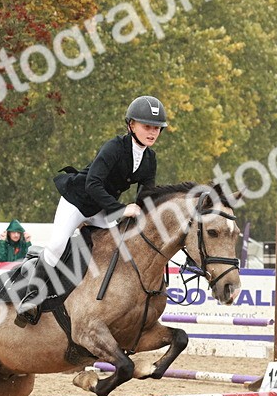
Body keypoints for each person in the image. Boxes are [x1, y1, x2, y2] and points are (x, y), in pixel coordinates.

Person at [10, 95, 167, 317]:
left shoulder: (150, 158)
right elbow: (93, 184)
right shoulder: (114, 147)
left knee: (117, 251)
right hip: (78, 201)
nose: (152, 132)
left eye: (156, 128)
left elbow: (146, 194)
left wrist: (151, 214)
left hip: (102, 209)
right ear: (131, 125)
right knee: (57, 245)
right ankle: (31, 298)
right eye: (147, 126)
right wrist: (121, 209)